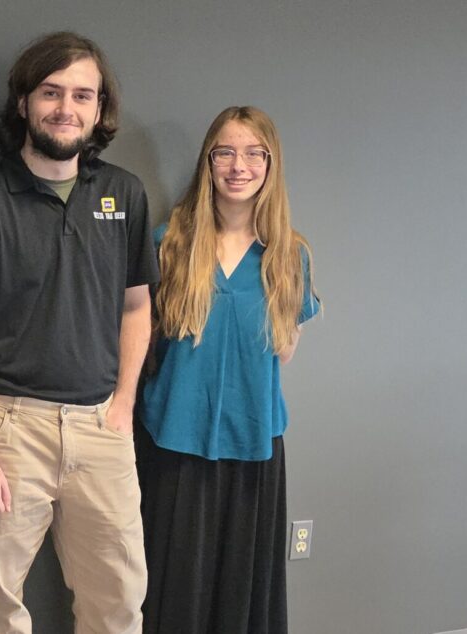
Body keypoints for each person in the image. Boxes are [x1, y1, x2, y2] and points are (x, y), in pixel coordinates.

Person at [0, 32, 157, 634]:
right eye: (51, 92)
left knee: (117, 604)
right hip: (9, 428)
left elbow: (137, 307)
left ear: (98, 109)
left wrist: (123, 405)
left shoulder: (124, 194)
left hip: (101, 428)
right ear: (24, 103)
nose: (66, 108)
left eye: (82, 95)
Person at [138, 106, 319, 634]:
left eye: (253, 153)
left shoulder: (289, 257)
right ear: (208, 162)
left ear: (271, 163)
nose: (238, 166)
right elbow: (140, 344)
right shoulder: (167, 244)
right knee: (171, 588)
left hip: (253, 447)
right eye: (225, 152)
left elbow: (284, 350)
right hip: (175, 443)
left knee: (241, 591)